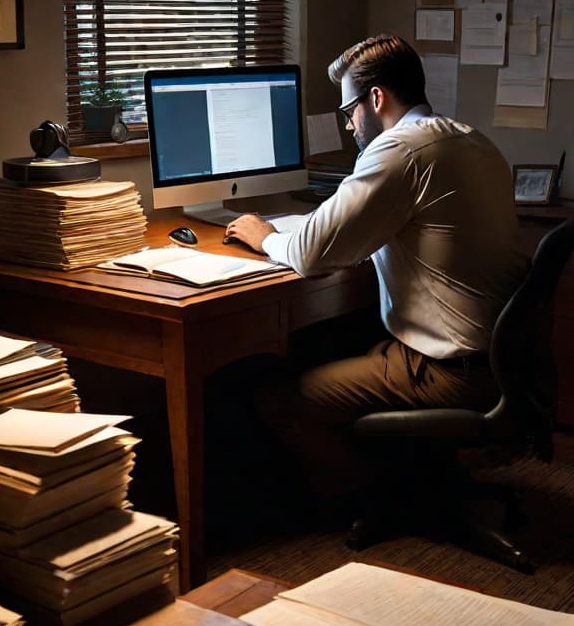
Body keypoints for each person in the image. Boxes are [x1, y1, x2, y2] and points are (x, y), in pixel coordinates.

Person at [224, 33, 527, 509]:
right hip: (504, 357)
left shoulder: (398, 150)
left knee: (279, 397)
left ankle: (377, 495)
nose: (349, 126)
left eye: (348, 112)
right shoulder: (468, 139)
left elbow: (309, 254)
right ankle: (405, 475)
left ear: (377, 97)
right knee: (327, 342)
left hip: (449, 369)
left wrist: (264, 236)